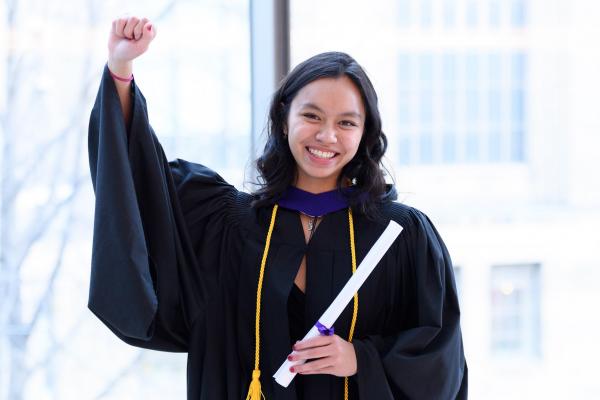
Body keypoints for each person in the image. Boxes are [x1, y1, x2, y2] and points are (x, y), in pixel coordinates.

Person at [88, 15, 468, 400]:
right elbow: (139, 184)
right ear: (284, 119)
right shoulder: (228, 225)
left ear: (364, 132)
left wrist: (361, 358)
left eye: (347, 123)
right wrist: (121, 67)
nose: (327, 135)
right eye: (311, 115)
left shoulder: (401, 236)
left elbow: (441, 360)